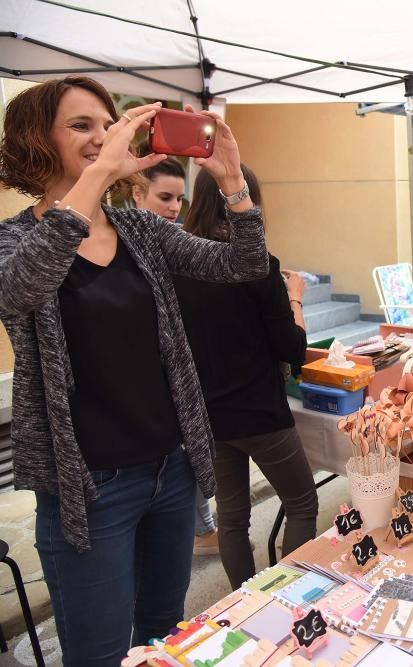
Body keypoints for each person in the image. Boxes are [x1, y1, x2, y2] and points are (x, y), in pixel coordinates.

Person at [0, 77, 268, 662]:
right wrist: (100, 175)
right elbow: (24, 287)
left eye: (107, 122)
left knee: (161, 637)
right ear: (34, 141)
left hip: (171, 472)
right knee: (96, 652)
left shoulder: (141, 230)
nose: (105, 136)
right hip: (89, 489)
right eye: (82, 126)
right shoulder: (13, 241)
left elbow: (244, 265)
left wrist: (231, 185)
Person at [172, 165, 318, 590]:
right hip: (260, 413)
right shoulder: (257, 267)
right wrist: (293, 297)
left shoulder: (178, 266)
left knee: (232, 518)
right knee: (302, 503)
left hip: (209, 415)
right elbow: (293, 350)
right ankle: (285, 599)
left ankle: (244, 599)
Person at [130, 157, 221, 557]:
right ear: (135, 193)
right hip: (145, 388)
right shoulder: (121, 248)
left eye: (179, 199)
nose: (172, 208)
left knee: (189, 457)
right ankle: (204, 530)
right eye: (164, 197)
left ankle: (204, 529)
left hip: (184, 372)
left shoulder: (175, 240)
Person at [130, 156, 185, 224]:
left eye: (179, 199)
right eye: (165, 198)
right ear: (137, 194)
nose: (176, 208)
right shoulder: (116, 232)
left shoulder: (187, 232)